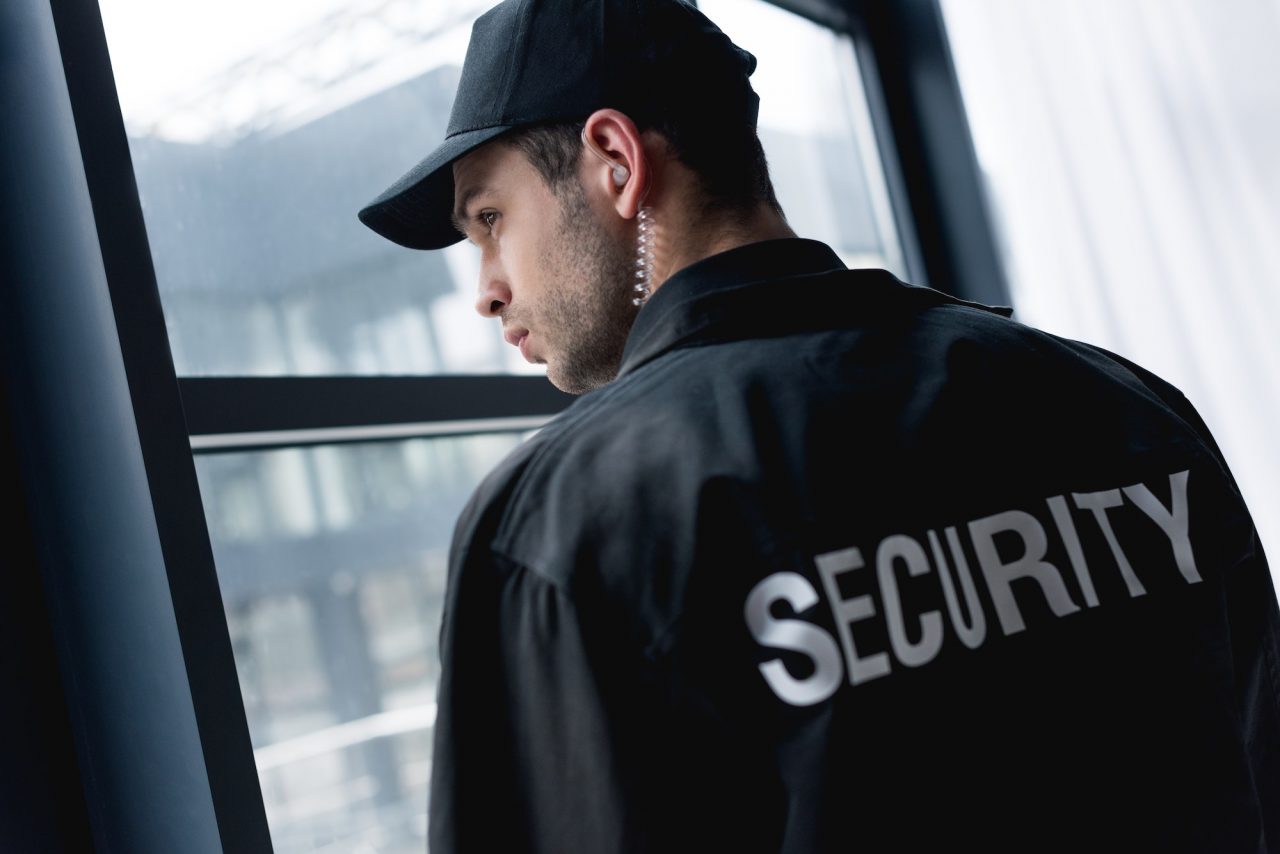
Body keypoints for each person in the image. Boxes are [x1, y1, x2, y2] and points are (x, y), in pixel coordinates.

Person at [357, 0, 1280, 850]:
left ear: (616, 161)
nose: (485, 290)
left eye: (489, 218)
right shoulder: (1123, 405)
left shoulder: (562, 526)